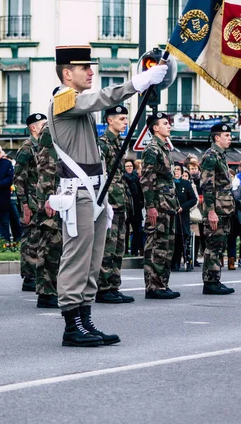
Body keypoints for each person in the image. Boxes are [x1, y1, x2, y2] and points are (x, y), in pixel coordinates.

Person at [48, 45, 167, 347]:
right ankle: (72, 325)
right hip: (78, 193)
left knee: (92, 260)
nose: (91, 72)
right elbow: (100, 99)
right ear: (66, 73)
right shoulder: (63, 99)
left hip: (95, 192)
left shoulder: (79, 105)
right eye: (84, 68)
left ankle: (85, 320)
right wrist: (134, 84)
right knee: (77, 259)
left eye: (91, 67)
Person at [96, 106, 134, 304]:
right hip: (109, 201)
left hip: (121, 201)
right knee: (107, 246)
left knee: (119, 246)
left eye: (126, 118)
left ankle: (114, 285)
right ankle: (103, 288)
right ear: (110, 120)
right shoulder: (102, 144)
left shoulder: (120, 142)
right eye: (121, 118)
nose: (125, 121)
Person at [141, 112, 180, 299]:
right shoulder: (152, 149)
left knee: (166, 246)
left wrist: (176, 202)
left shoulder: (164, 148)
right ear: (155, 128)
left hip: (168, 204)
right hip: (158, 204)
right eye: (165, 123)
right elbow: (147, 179)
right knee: (156, 245)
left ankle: (162, 284)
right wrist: (150, 206)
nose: (169, 126)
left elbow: (169, 180)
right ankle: (153, 286)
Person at [200, 123, 235, 295]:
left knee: (219, 245)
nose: (230, 138)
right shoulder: (211, 156)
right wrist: (211, 211)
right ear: (217, 138)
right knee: (213, 246)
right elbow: (207, 186)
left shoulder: (221, 156)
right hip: (217, 210)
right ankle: (210, 282)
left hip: (224, 208)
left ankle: (215, 279)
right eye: (227, 135)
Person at [14, 113, 47, 292]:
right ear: (33, 128)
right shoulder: (27, 148)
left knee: (40, 238)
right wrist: (24, 204)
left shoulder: (43, 147)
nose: (46, 127)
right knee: (30, 240)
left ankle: (37, 274)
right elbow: (19, 178)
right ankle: (28, 277)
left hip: (40, 200)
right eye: (43, 124)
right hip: (30, 201)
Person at [35, 119, 62, 308]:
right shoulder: (51, 129)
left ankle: (55, 289)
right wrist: (49, 196)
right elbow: (45, 166)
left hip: (64, 195)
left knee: (59, 246)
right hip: (52, 196)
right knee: (50, 245)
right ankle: (46, 292)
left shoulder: (65, 125)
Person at [171, 162, 196, 272]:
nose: (176, 172)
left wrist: (183, 207)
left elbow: (193, 199)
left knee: (180, 239)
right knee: (171, 239)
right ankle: (171, 262)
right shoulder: (169, 183)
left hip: (182, 215)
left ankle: (177, 261)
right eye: (175, 169)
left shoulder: (186, 184)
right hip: (171, 216)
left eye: (178, 169)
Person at [227, 169, 241, 270]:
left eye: (231, 176)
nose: (229, 178)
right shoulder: (221, 187)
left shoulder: (238, 187)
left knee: (232, 238)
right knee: (222, 239)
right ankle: (219, 259)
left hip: (235, 217)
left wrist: (237, 203)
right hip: (224, 215)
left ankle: (231, 260)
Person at [124, 159, 144, 256]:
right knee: (125, 230)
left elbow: (141, 193)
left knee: (138, 231)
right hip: (127, 207)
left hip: (136, 208)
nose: (129, 168)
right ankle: (124, 251)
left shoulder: (137, 179)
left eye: (130, 166)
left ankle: (135, 251)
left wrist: (141, 203)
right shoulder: (123, 179)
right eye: (127, 166)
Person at [187, 158, 205, 266]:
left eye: (195, 168)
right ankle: (192, 256)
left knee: (202, 234)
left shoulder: (201, 179)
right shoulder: (189, 181)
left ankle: (201, 254)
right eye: (191, 169)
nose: (193, 171)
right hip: (193, 209)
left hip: (202, 209)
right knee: (194, 234)